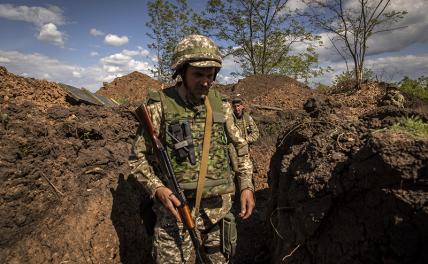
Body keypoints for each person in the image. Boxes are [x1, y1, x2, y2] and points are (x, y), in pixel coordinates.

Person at [129, 34, 255, 264]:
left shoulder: (222, 106)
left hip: (217, 212)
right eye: (198, 74)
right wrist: (157, 188)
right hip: (175, 215)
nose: (206, 82)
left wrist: (246, 186)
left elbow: (241, 148)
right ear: (181, 71)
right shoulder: (159, 107)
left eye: (210, 75)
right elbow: (137, 159)